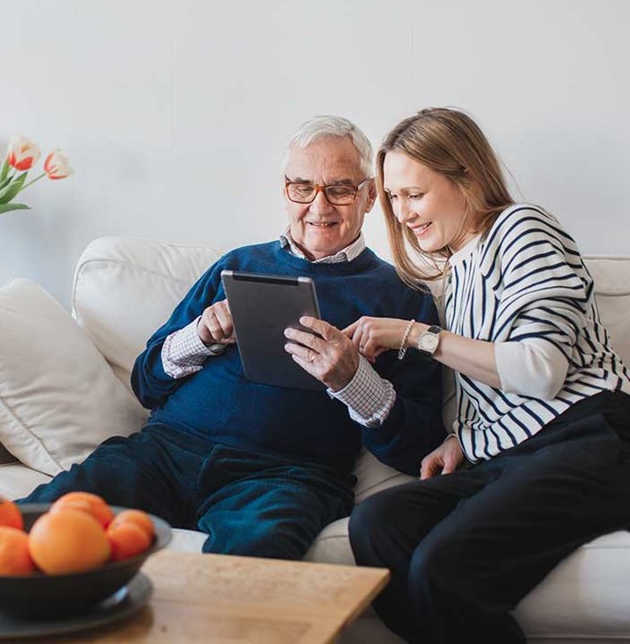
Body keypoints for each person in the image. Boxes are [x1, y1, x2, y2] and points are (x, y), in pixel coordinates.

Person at [22, 116, 445, 560]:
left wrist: (353, 381)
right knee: (36, 523)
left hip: (286, 477)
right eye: (303, 187)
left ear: (369, 196)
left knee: (252, 566)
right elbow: (146, 384)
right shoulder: (238, 264)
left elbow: (419, 445)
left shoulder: (401, 296)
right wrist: (198, 338)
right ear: (286, 190)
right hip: (163, 454)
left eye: (339, 189)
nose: (318, 207)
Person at [324, 108, 630, 644]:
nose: (402, 214)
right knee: (377, 523)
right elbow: (490, 385)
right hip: (513, 456)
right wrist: (460, 438)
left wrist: (415, 335)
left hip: (593, 435)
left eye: (414, 194)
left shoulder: (521, 227)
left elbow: (540, 370)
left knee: (444, 565)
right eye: (393, 199)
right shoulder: (456, 273)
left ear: (465, 175)